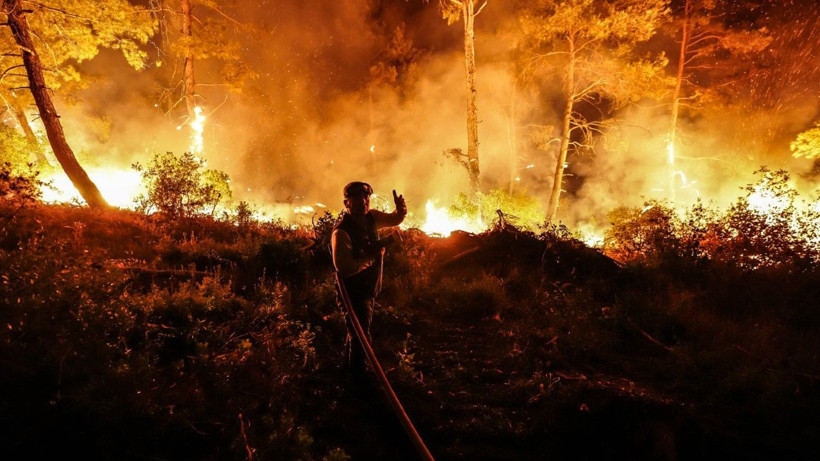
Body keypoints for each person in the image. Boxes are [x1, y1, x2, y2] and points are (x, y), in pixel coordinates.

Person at [331, 181, 407, 381]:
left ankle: (349, 369)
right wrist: (372, 258)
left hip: (368, 288)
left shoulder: (372, 218)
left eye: (365, 198)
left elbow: (395, 219)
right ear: (346, 203)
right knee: (361, 336)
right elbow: (345, 268)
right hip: (352, 291)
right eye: (356, 198)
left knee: (358, 332)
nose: (363, 202)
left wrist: (401, 210)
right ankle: (358, 379)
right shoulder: (342, 232)